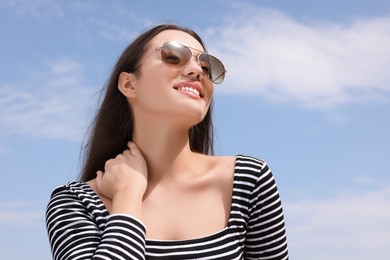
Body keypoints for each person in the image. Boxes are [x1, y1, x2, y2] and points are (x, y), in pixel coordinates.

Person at [45, 23, 289, 260]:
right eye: (173, 56)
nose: (197, 71)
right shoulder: (75, 203)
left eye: (207, 66)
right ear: (129, 84)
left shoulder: (247, 181)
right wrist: (128, 198)